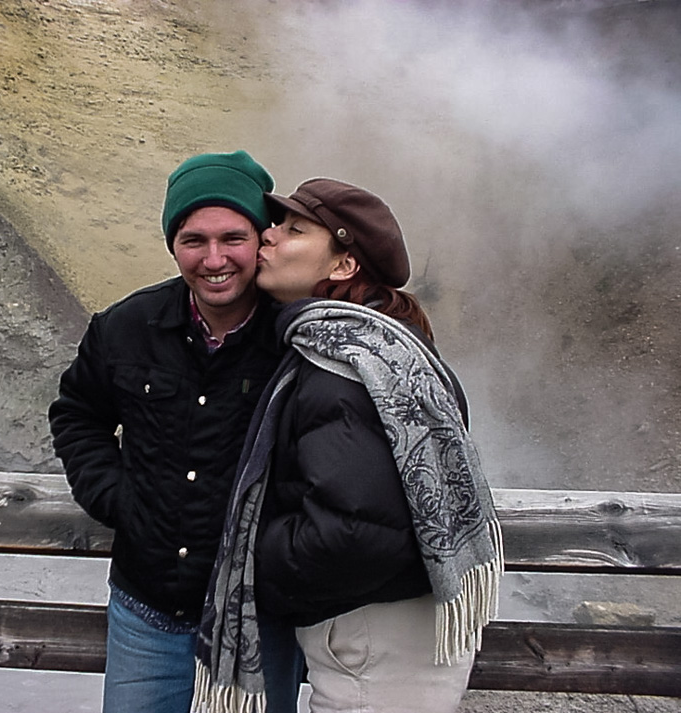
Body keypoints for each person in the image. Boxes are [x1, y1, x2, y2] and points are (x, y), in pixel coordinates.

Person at [193, 178, 504, 713]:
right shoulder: (377, 347)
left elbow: (355, 533)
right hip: (394, 631)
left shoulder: (341, 370)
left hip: (372, 644)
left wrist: (253, 555)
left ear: (343, 266)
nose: (267, 237)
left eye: (294, 230)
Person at [48, 151, 304, 713]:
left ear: (262, 239)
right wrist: (115, 498)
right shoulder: (125, 328)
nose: (215, 259)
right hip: (146, 609)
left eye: (233, 238)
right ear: (173, 244)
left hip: (259, 619)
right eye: (194, 240)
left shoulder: (298, 338)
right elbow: (76, 414)